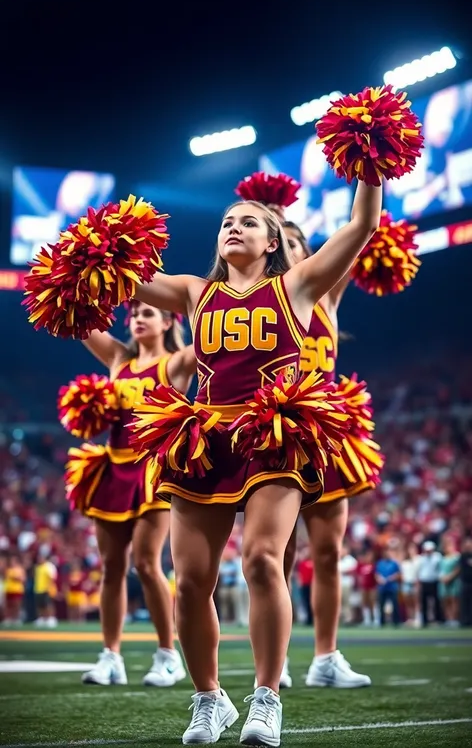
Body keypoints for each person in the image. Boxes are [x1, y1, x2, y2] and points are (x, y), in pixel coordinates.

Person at [134, 179, 381, 746]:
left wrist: (371, 166)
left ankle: (266, 699)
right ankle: (209, 699)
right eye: (226, 222)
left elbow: (361, 226)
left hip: (272, 434)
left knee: (263, 560)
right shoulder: (195, 293)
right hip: (204, 439)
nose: (232, 227)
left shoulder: (297, 285)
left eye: (247, 222)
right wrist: (94, 249)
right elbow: (124, 278)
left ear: (272, 241)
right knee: (191, 581)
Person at [268, 213, 373, 689]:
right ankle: (279, 657)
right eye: (281, 241)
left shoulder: (326, 294)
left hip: (327, 435)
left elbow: (361, 229)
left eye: (296, 241)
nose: (288, 247)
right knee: (278, 555)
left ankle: (326, 657)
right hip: (279, 434)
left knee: (328, 552)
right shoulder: (265, 299)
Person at [71, 301, 196, 686]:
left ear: (168, 320)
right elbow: (78, 321)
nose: (138, 319)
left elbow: (214, 340)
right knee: (111, 567)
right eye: (135, 313)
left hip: (153, 470)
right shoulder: (118, 358)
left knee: (146, 561)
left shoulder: (175, 364)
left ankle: (168, 655)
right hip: (113, 467)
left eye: (147, 313)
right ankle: (111, 656)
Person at [375, 547, 401, 626]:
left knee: (395, 604)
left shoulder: (394, 563)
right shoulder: (380, 563)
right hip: (382, 587)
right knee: (381, 605)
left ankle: (396, 622)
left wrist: (392, 578)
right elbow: (376, 574)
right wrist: (380, 579)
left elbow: (399, 574)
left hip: (392, 587)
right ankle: (382, 622)